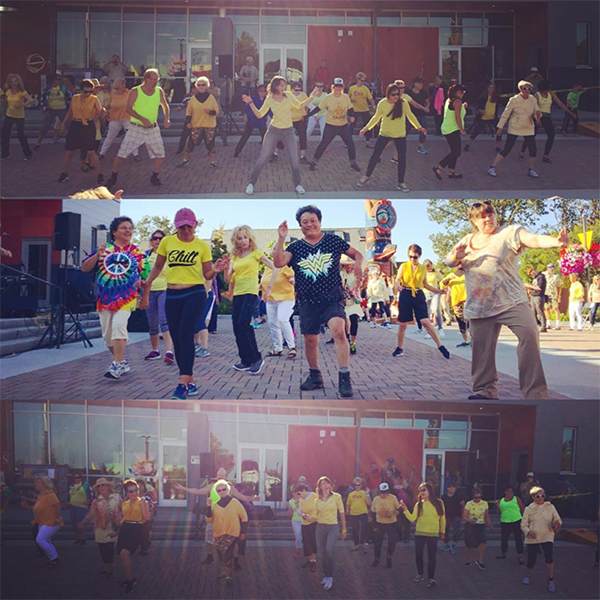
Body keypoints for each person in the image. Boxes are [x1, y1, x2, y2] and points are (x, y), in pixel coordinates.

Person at [446, 201, 569, 400]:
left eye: (490, 214)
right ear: (474, 221)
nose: (488, 219)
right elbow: (449, 261)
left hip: (512, 300)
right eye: (482, 216)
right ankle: (485, 390)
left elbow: (533, 239)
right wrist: (455, 256)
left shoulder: (508, 232)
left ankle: (535, 393)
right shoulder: (467, 240)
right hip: (480, 307)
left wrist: (556, 242)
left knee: (529, 334)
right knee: (481, 351)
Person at [273, 205, 364, 398]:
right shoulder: (296, 247)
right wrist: (281, 238)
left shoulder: (333, 241)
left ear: (319, 221)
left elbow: (357, 253)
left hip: (332, 297)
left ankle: (344, 375)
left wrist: (357, 264)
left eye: (313, 220)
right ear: (300, 226)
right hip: (307, 301)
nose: (309, 224)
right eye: (304, 222)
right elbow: (278, 262)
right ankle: (315, 375)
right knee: (310, 339)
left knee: (339, 331)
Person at [140, 208, 229, 399]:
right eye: (182, 227)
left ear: (195, 226)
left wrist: (215, 270)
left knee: (185, 333)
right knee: (178, 339)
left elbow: (206, 274)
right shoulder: (167, 242)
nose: (186, 230)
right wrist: (147, 283)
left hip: (194, 292)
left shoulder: (201, 246)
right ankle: (191, 381)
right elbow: (157, 266)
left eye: (189, 226)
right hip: (172, 294)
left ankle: (181, 383)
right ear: (176, 226)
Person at [82, 216, 149, 380]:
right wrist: (97, 255)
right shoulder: (105, 250)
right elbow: (84, 268)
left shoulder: (138, 254)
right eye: (123, 228)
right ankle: (121, 361)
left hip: (127, 297)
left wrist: (145, 296)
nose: (128, 231)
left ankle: (117, 364)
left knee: (119, 326)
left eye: (130, 228)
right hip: (104, 298)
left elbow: (148, 279)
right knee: (107, 336)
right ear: (114, 232)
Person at [242, 76, 315, 195]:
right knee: (263, 157)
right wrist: (250, 103)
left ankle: (297, 184)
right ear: (275, 86)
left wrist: (312, 96)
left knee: (294, 159)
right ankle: (251, 183)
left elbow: (300, 106)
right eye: (281, 85)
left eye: (284, 85)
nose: (283, 87)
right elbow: (260, 114)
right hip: (273, 130)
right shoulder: (269, 98)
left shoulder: (289, 95)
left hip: (288, 131)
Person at [173, 468, 259, 566]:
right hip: (213, 518)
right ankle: (210, 557)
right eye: (219, 475)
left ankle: (235, 561)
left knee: (232, 541)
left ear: (226, 477)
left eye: (223, 476)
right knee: (209, 539)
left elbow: (242, 497)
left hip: (228, 519)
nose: (221, 477)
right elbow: (197, 491)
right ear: (217, 476)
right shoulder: (211, 487)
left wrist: (253, 498)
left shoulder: (231, 488)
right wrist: (183, 489)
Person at [106, 69, 171, 189]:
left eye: (157, 79)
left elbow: (165, 105)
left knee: (161, 155)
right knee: (122, 154)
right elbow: (129, 109)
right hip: (136, 128)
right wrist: (142, 119)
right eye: (154, 79)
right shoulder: (135, 91)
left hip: (153, 129)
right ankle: (113, 177)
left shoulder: (159, 91)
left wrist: (167, 118)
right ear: (146, 79)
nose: (156, 81)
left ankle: (154, 177)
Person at [357, 82, 425, 193]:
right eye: (393, 94)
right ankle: (367, 176)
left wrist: (419, 127)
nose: (396, 97)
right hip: (384, 134)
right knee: (375, 156)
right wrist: (365, 129)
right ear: (388, 94)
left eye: (397, 94)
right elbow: (376, 117)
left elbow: (410, 116)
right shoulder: (382, 103)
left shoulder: (403, 103)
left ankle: (401, 182)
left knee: (402, 159)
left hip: (400, 135)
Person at [226, 225, 273, 373]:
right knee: (236, 325)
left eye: (245, 237)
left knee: (243, 322)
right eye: (239, 238)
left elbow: (274, 267)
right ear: (236, 240)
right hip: (238, 293)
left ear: (250, 238)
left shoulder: (256, 253)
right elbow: (228, 279)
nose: (243, 240)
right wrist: (225, 268)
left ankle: (256, 358)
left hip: (250, 292)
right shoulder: (234, 257)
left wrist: (268, 286)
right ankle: (245, 360)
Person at [393, 244, 450, 359]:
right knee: (402, 324)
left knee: (425, 322)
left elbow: (425, 284)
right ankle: (400, 348)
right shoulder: (404, 266)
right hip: (406, 293)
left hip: (418, 294)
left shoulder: (423, 268)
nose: (412, 259)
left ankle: (440, 346)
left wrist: (438, 291)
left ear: (419, 256)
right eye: (410, 256)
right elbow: (397, 279)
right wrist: (397, 286)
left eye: (415, 257)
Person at [488, 81, 542, 179]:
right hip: (515, 126)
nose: (527, 91)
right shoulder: (514, 100)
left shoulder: (532, 99)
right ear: (520, 89)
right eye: (524, 88)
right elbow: (506, 114)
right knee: (508, 148)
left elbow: (536, 111)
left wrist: (538, 116)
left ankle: (531, 169)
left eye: (529, 89)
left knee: (533, 149)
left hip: (528, 126)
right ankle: (492, 167)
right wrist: (500, 127)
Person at [303, 476, 346, 591]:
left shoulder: (337, 497)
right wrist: (307, 518)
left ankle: (330, 576)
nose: (325, 486)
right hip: (320, 528)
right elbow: (315, 517)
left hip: (333, 527)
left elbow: (342, 513)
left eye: (327, 483)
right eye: (323, 484)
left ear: (330, 485)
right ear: (320, 487)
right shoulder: (317, 500)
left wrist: (344, 530)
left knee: (329, 550)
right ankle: (326, 576)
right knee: (321, 554)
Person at [57, 78, 105, 184]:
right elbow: (70, 111)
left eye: (90, 91)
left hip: (88, 125)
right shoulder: (75, 98)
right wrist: (64, 123)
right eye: (86, 91)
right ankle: (64, 173)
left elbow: (100, 112)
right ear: (81, 90)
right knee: (69, 152)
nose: (88, 94)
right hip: (76, 124)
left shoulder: (94, 99)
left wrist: (101, 113)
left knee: (91, 151)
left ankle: (100, 174)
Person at [400, 482, 446, 588]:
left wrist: (442, 532)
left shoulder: (439, 502)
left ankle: (431, 578)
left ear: (430, 490)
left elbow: (442, 518)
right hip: (420, 533)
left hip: (433, 534)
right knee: (419, 555)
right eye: (420, 490)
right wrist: (405, 509)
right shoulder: (419, 504)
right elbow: (412, 518)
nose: (422, 492)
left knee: (431, 557)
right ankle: (420, 574)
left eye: (424, 490)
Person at [309, 78, 360, 174]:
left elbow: (351, 109)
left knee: (350, 144)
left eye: (340, 86)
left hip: (343, 126)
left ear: (342, 87)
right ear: (333, 86)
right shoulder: (328, 98)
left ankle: (353, 163)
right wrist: (307, 115)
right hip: (331, 126)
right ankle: (313, 162)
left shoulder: (345, 97)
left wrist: (352, 116)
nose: (338, 88)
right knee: (323, 144)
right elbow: (318, 108)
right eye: (336, 86)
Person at [519, 80, 575, 164]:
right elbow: (535, 108)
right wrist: (538, 120)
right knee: (531, 135)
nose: (549, 90)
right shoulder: (536, 95)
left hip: (547, 117)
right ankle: (522, 152)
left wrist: (570, 112)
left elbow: (559, 103)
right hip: (539, 116)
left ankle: (546, 155)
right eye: (548, 88)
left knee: (551, 135)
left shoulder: (551, 94)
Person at [78, 478, 122, 577]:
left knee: (109, 548)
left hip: (112, 527)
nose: (101, 487)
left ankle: (110, 567)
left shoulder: (117, 497)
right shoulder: (96, 501)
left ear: (108, 486)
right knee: (102, 549)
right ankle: (107, 566)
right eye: (99, 486)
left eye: (103, 485)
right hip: (100, 528)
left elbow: (124, 509)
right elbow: (91, 514)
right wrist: (83, 522)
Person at [521, 486, 562, 592]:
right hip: (533, 537)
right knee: (531, 558)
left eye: (542, 495)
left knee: (549, 557)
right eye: (537, 496)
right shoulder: (528, 509)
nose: (540, 498)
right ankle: (528, 576)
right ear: (533, 497)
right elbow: (523, 524)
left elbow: (556, 519)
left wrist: (557, 524)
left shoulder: (550, 507)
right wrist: (528, 531)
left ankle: (551, 579)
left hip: (547, 534)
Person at [143, 230, 174, 363]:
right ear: (151, 240)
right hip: (149, 290)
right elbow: (141, 272)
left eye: (160, 239)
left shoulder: (168, 255)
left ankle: (169, 351)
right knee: (152, 322)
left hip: (164, 289)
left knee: (164, 319)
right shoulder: (145, 255)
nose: (157, 241)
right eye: (155, 238)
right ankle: (155, 350)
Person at [20, 475, 63, 567]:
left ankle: (54, 558)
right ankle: (54, 558)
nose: (36, 484)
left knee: (40, 539)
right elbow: (39, 508)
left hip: (51, 522)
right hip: (43, 521)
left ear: (45, 484)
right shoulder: (42, 495)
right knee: (46, 540)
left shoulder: (49, 493)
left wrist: (57, 518)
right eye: (36, 482)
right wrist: (27, 506)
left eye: (39, 482)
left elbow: (57, 505)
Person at [116, 479, 150, 594]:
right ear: (126, 493)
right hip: (125, 529)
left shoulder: (142, 502)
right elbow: (124, 519)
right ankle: (128, 577)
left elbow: (146, 518)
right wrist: (116, 530)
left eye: (136, 490)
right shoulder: (124, 503)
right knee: (122, 555)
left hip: (136, 529)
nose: (134, 493)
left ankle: (131, 580)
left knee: (124, 554)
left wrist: (143, 505)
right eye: (131, 491)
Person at [179, 76, 219, 169]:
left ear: (207, 86)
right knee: (191, 143)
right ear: (197, 86)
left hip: (209, 125)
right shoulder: (193, 98)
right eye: (199, 85)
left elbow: (216, 111)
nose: (201, 87)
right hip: (196, 124)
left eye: (203, 85)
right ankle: (185, 160)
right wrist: (188, 122)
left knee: (210, 143)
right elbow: (188, 112)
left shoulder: (211, 98)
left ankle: (213, 161)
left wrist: (210, 112)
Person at [260, 258, 297, 359]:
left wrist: (292, 280)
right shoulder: (267, 267)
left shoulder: (285, 266)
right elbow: (264, 281)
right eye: (274, 251)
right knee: (272, 323)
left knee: (282, 319)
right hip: (271, 299)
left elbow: (292, 278)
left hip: (285, 298)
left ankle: (292, 347)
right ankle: (277, 349)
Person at [98, 78, 139, 161]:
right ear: (117, 85)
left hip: (127, 117)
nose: (124, 86)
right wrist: (104, 110)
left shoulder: (129, 93)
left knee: (131, 136)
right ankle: (102, 153)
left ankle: (136, 154)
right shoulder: (113, 94)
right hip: (115, 118)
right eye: (122, 84)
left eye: (124, 84)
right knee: (110, 136)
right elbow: (110, 105)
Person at [432, 83, 467, 181]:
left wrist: (463, 106)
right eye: (461, 92)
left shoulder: (449, 100)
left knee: (454, 151)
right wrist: (461, 129)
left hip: (447, 128)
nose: (463, 94)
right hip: (452, 129)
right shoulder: (458, 101)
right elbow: (457, 116)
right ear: (457, 92)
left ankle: (452, 171)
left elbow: (454, 110)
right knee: (456, 152)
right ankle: (439, 167)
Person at [1, 74, 34, 161]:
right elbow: (5, 101)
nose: (13, 83)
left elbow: (31, 100)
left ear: (18, 82)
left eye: (15, 81)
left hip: (19, 116)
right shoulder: (8, 91)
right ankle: (5, 153)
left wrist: (21, 105)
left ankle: (28, 153)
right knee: (5, 134)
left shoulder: (22, 92)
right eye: (11, 81)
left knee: (21, 135)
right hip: (9, 115)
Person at [464, 82, 502, 153]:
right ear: (487, 88)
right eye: (490, 88)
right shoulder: (483, 97)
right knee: (476, 131)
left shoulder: (496, 97)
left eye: (493, 88)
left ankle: (497, 146)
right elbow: (478, 105)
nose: (491, 89)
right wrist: (480, 110)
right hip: (483, 118)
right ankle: (467, 144)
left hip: (493, 117)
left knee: (499, 131)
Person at [34, 74, 69, 149]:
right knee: (45, 126)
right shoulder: (47, 89)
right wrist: (45, 109)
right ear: (53, 80)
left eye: (60, 79)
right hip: (51, 109)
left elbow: (70, 97)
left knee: (66, 124)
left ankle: (70, 141)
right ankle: (38, 142)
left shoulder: (63, 88)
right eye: (58, 79)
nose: (59, 81)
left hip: (62, 108)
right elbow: (42, 100)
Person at [371, 482, 400, 568]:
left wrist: (398, 512)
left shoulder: (393, 498)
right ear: (379, 492)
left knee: (392, 541)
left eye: (386, 492)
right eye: (382, 492)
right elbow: (373, 512)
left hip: (391, 523)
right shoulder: (376, 499)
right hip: (379, 523)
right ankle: (377, 558)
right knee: (377, 543)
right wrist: (374, 525)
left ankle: (389, 556)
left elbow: (399, 509)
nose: (384, 494)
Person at [234, 84, 268, 157]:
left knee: (265, 137)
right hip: (252, 119)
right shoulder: (253, 98)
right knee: (245, 136)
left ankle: (268, 153)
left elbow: (270, 111)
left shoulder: (267, 100)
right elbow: (247, 108)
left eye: (264, 91)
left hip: (261, 120)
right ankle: (237, 151)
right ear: (257, 91)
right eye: (260, 91)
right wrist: (245, 117)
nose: (262, 92)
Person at [462, 488, 493, 570]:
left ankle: (480, 560)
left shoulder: (484, 503)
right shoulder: (469, 504)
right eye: (475, 497)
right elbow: (464, 516)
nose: (477, 499)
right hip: (471, 525)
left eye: (479, 497)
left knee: (483, 542)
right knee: (470, 543)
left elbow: (486, 516)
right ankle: (469, 559)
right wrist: (469, 520)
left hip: (481, 524)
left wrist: (489, 524)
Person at [441, 266, 470, 347]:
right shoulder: (451, 275)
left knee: (470, 321)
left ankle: (473, 340)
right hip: (457, 302)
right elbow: (442, 284)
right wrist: (448, 279)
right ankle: (466, 341)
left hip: (467, 300)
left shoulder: (468, 274)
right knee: (461, 322)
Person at [496, 485, 525, 564]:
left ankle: (520, 555)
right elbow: (498, 512)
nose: (509, 493)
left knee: (518, 538)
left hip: (516, 520)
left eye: (512, 491)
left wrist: (524, 520)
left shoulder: (517, 499)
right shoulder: (500, 500)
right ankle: (503, 553)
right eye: (508, 491)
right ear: (505, 492)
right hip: (505, 521)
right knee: (504, 538)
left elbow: (522, 509)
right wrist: (498, 507)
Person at [340, 256, 363, 355]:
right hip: (343, 301)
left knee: (354, 320)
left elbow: (359, 285)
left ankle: (353, 343)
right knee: (344, 322)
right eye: (346, 264)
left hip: (353, 301)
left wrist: (358, 283)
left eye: (350, 264)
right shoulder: (341, 274)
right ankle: (346, 339)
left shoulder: (356, 274)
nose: (348, 266)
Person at [348, 72, 375, 147]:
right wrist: (351, 99)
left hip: (364, 109)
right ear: (357, 79)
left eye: (363, 80)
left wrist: (374, 106)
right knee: (352, 126)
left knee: (367, 126)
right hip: (354, 110)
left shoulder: (365, 88)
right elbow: (347, 98)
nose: (362, 82)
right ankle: (349, 142)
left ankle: (368, 141)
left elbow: (370, 98)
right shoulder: (352, 88)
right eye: (361, 80)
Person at [194, 276, 218, 358]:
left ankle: (205, 348)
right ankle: (197, 343)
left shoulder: (204, 265)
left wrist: (206, 292)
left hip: (205, 295)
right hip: (195, 295)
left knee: (201, 320)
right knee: (195, 320)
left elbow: (209, 278)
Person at [405, 76, 430, 154]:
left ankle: (421, 146)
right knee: (406, 130)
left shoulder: (423, 92)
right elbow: (414, 104)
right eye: (419, 83)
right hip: (411, 115)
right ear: (415, 83)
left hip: (421, 115)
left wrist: (427, 107)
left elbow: (428, 101)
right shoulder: (409, 92)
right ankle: (401, 144)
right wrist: (424, 108)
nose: (421, 85)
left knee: (423, 130)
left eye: (422, 83)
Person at [346, 477, 371, 553]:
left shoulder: (364, 493)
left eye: (359, 485)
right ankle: (356, 544)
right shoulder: (351, 494)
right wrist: (347, 510)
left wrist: (367, 494)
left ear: (361, 485)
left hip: (363, 512)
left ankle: (365, 544)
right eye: (356, 485)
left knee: (364, 528)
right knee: (355, 530)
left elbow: (369, 503)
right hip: (353, 513)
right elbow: (348, 504)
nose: (357, 486)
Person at [297, 483, 319, 572]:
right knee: (306, 542)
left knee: (313, 541)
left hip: (313, 522)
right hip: (304, 523)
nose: (299, 496)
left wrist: (313, 517)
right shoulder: (301, 499)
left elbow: (319, 507)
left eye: (299, 493)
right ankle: (310, 560)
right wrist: (302, 514)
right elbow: (300, 509)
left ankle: (314, 561)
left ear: (304, 490)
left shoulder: (314, 496)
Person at [423, 260, 444, 339]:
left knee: (435, 309)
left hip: (435, 292)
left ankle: (440, 328)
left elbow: (442, 280)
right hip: (426, 293)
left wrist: (442, 288)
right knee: (427, 312)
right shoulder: (424, 273)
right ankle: (429, 331)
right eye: (428, 266)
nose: (430, 267)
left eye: (430, 265)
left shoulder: (436, 273)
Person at [68, 473, 91, 545]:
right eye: (75, 478)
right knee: (74, 523)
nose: (77, 479)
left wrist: (89, 500)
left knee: (79, 522)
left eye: (78, 477)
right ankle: (78, 538)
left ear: (81, 478)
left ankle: (83, 538)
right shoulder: (71, 485)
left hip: (81, 506)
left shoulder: (85, 485)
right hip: (72, 506)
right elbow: (69, 494)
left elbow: (91, 493)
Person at [441, 482, 464, 554]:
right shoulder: (444, 497)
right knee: (445, 530)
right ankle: (446, 545)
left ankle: (454, 545)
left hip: (456, 516)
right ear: (447, 488)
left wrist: (462, 515)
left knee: (457, 530)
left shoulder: (458, 496)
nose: (452, 489)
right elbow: (441, 507)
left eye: (453, 487)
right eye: (450, 487)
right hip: (446, 516)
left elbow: (463, 505)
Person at [136, 479, 157, 555]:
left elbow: (153, 503)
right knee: (139, 532)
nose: (140, 487)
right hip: (137, 517)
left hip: (147, 517)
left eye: (141, 485)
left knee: (145, 532)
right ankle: (145, 544)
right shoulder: (134, 495)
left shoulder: (148, 494)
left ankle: (144, 548)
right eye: (138, 486)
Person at [525, 267, 547, 332]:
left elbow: (539, 288)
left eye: (531, 273)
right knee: (533, 312)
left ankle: (543, 326)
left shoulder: (541, 277)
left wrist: (529, 286)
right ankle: (535, 325)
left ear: (533, 270)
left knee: (539, 311)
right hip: (533, 296)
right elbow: (534, 287)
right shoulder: (535, 278)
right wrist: (530, 289)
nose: (532, 275)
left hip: (539, 296)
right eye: (530, 275)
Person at [544, 264, 562, 330]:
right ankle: (548, 323)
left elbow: (559, 286)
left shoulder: (556, 276)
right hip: (546, 294)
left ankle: (558, 324)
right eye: (550, 269)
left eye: (553, 269)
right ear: (547, 268)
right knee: (546, 308)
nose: (552, 270)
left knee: (555, 308)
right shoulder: (544, 275)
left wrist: (559, 296)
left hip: (554, 294)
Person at [288, 488, 304, 559]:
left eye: (298, 492)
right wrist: (289, 508)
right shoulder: (290, 502)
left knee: (304, 536)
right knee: (298, 535)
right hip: (295, 520)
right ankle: (298, 551)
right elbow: (290, 514)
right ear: (292, 493)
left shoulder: (303, 500)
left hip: (304, 520)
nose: (297, 494)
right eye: (295, 492)